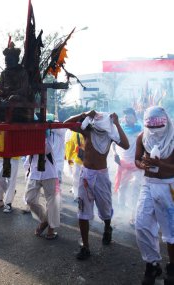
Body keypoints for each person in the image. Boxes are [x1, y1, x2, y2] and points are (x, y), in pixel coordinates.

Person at [64, 110, 129, 260]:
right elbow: (67, 124)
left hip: (102, 176)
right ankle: (85, 246)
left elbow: (125, 145)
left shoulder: (109, 135)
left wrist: (117, 123)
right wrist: (83, 114)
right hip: (86, 175)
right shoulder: (88, 131)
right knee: (83, 211)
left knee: (106, 210)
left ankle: (107, 227)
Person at [134, 106, 174, 285]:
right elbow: (136, 158)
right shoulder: (142, 137)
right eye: (151, 127)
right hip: (148, 185)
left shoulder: (173, 138)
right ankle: (152, 263)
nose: (155, 131)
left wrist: (160, 164)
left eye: (159, 126)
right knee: (141, 224)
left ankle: (172, 268)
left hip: (169, 187)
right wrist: (142, 165)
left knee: (170, 232)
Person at [24, 128, 61, 239]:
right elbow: (27, 158)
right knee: (29, 199)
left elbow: (46, 149)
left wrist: (42, 134)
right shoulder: (29, 139)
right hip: (35, 173)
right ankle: (44, 219)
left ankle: (51, 229)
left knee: (52, 202)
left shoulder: (48, 137)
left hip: (49, 174)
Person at [0, 42, 31, 122]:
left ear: (16, 60)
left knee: (12, 98)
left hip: (18, 97)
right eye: (6, 61)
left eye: (9, 60)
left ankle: (10, 118)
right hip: (4, 96)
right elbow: (0, 88)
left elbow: (24, 90)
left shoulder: (22, 72)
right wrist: (0, 92)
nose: (7, 62)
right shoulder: (4, 73)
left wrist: (12, 91)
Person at [112, 107, 143, 226]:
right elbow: (113, 144)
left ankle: (133, 215)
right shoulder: (119, 130)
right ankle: (121, 211)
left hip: (136, 164)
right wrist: (114, 154)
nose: (126, 118)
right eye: (125, 116)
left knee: (136, 188)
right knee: (122, 188)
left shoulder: (140, 131)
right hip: (123, 164)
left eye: (129, 116)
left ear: (134, 118)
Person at [65, 130, 85, 200]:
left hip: (77, 159)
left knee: (76, 179)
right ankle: (81, 195)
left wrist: (68, 158)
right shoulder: (90, 132)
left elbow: (70, 147)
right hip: (87, 161)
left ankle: (77, 195)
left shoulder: (75, 133)